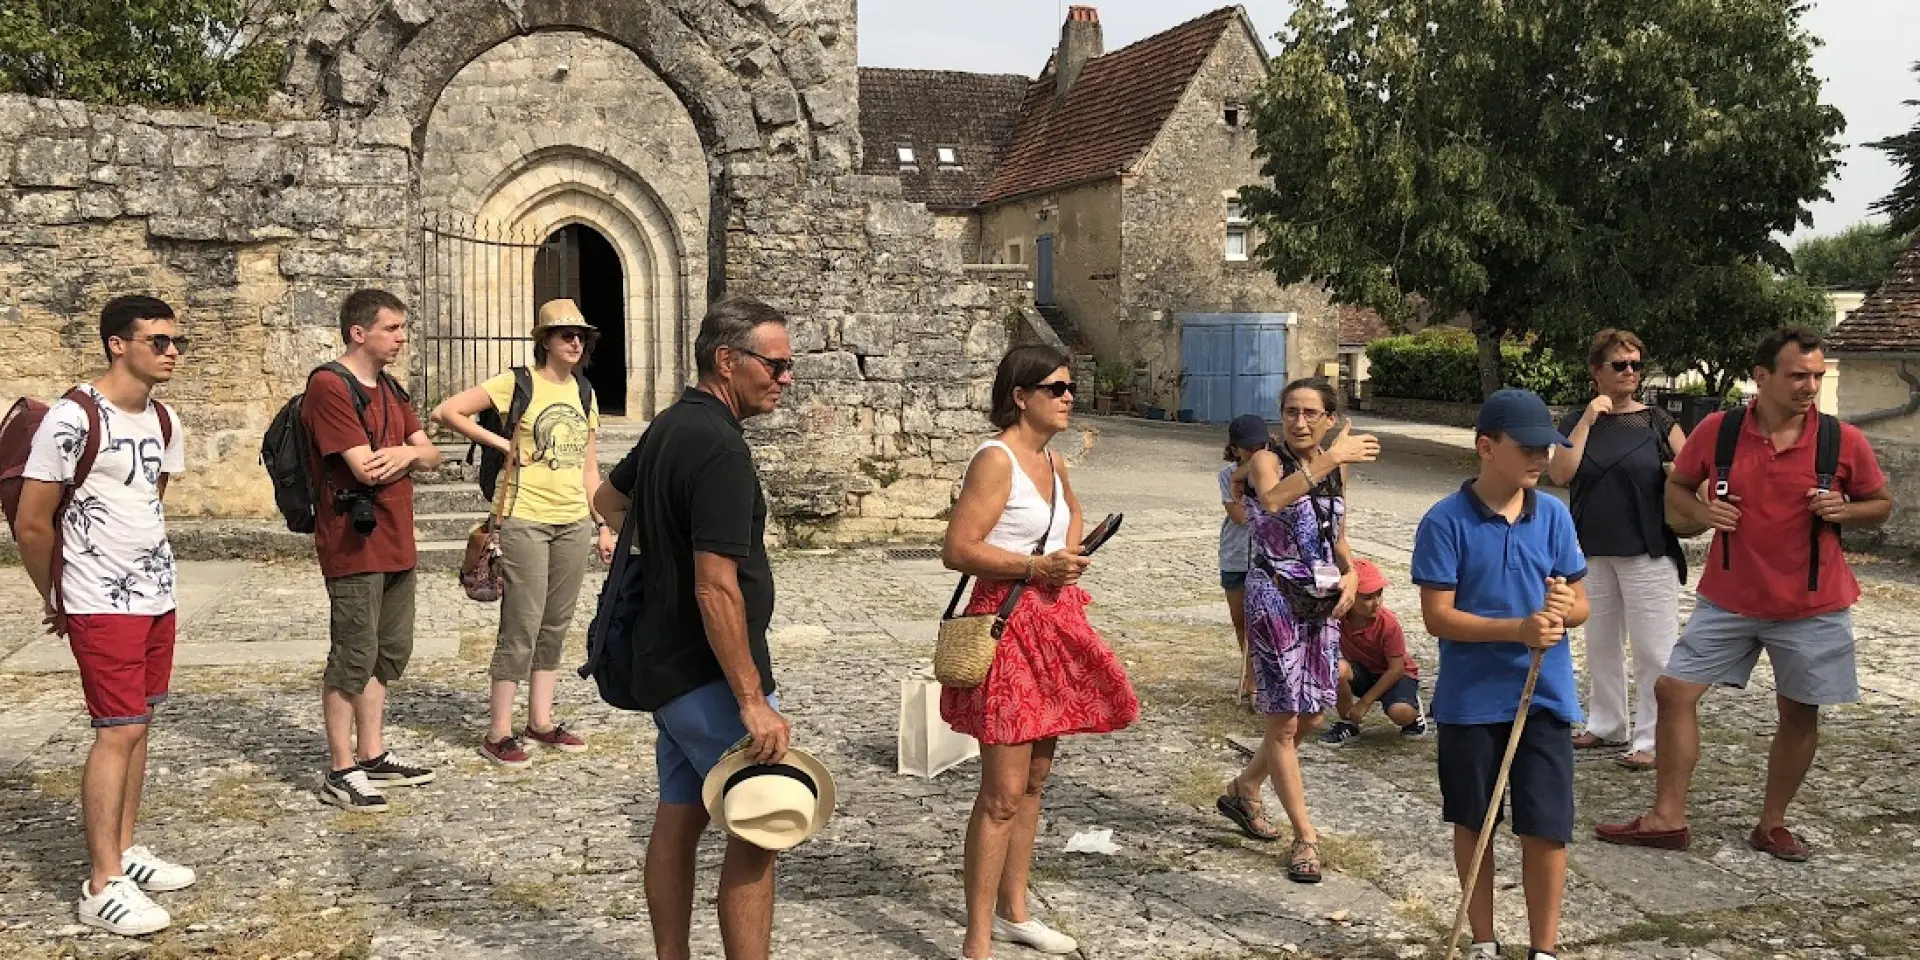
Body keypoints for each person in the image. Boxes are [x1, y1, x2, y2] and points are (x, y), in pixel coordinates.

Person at [1596, 328, 1891, 862]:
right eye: (1799, 375)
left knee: (1800, 714)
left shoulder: (1841, 440)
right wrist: (1704, 513)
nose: (1811, 385)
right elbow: (1678, 486)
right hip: (1729, 599)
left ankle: (1772, 823)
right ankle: (1667, 817)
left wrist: (1845, 510)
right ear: (1762, 377)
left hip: (1812, 604)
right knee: (1673, 692)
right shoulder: (1719, 431)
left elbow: (1881, 503)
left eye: (1817, 375)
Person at [589, 297, 794, 960]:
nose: (786, 377)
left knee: (680, 819)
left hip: (665, 665)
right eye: (776, 364)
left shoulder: (672, 424)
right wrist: (750, 699)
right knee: (761, 827)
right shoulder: (720, 449)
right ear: (726, 360)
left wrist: (662, 545)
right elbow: (715, 587)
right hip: (707, 675)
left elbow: (607, 501)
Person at [939, 344, 1138, 960]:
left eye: (1070, 387)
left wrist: (1071, 556)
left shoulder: (1050, 462)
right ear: (1020, 396)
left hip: (1050, 623)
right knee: (1001, 792)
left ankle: (1014, 911)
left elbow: (1072, 512)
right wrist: (1035, 564)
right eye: (1055, 387)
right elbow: (957, 548)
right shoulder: (996, 460)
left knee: (1034, 782)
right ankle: (977, 940)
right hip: (1005, 626)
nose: (1068, 396)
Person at [15, 296, 194, 936]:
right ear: (118, 344)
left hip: (155, 593)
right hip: (99, 598)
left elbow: (149, 504)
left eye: (176, 341)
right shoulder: (72, 418)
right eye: (157, 340)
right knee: (116, 729)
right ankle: (100, 883)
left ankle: (122, 852)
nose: (171, 351)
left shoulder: (165, 419)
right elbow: (32, 523)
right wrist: (57, 594)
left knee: (139, 723)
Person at [1413, 387, 1589, 960]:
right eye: (1529, 446)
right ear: (1486, 447)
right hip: (1470, 700)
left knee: (1546, 825)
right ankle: (1483, 940)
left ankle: (1544, 948)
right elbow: (1438, 617)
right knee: (1475, 821)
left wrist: (1565, 612)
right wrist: (1516, 629)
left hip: (1545, 696)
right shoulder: (1445, 521)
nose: (1542, 457)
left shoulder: (1555, 516)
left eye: (1548, 446)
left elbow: (1580, 603)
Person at [432, 299, 616, 767]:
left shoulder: (585, 392)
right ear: (545, 342)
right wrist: (502, 443)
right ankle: (498, 731)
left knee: (556, 622)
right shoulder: (517, 383)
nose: (575, 343)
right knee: (521, 623)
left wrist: (602, 524)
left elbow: (588, 467)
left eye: (582, 336)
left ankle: (540, 720)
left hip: (573, 519)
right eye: (565, 335)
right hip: (524, 516)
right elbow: (447, 411)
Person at [1213, 379, 1379, 885]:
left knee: (1310, 717)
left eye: (1311, 413)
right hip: (1276, 601)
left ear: (1329, 418)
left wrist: (1350, 571)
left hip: (1320, 602)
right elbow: (1275, 499)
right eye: (1290, 412)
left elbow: (1339, 534)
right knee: (1285, 724)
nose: (1299, 422)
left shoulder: (1338, 466)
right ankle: (1305, 838)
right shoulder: (1268, 459)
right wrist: (1328, 459)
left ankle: (1243, 786)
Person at [305, 289, 442, 811]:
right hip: (353, 543)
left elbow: (430, 454)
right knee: (352, 656)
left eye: (403, 327)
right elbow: (364, 468)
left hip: (396, 539)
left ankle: (372, 754)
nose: (401, 337)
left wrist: (403, 453)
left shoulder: (390, 388)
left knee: (388, 652)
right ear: (358, 333)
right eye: (391, 328)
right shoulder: (329, 386)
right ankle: (340, 768)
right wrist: (408, 452)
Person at [1547, 328, 1686, 771]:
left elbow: (1690, 472)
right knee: (1600, 642)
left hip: (1648, 548)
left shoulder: (1657, 421)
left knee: (1653, 650)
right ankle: (1607, 722)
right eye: (1619, 365)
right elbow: (1560, 474)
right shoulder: (1575, 420)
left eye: (1636, 365)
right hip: (1591, 547)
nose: (1630, 373)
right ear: (1596, 372)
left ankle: (1651, 737)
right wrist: (1588, 419)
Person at [1320, 557, 1427, 744]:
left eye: (1379, 594)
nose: (1376, 602)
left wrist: (1364, 702)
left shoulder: (1388, 623)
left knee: (1401, 713)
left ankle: (1413, 711)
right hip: (1363, 672)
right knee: (1336, 668)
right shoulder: (1337, 616)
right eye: (1367, 597)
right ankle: (1348, 723)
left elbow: (1396, 669)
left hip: (1396, 676)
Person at [1219, 414, 1267, 704]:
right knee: (1241, 620)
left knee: (1263, 620)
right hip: (1235, 554)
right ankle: (1249, 674)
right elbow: (1238, 516)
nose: (1256, 453)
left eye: (1261, 446)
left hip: (1264, 556)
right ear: (1235, 449)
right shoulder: (1227, 475)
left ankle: (1264, 677)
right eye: (1249, 448)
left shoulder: (1277, 470)